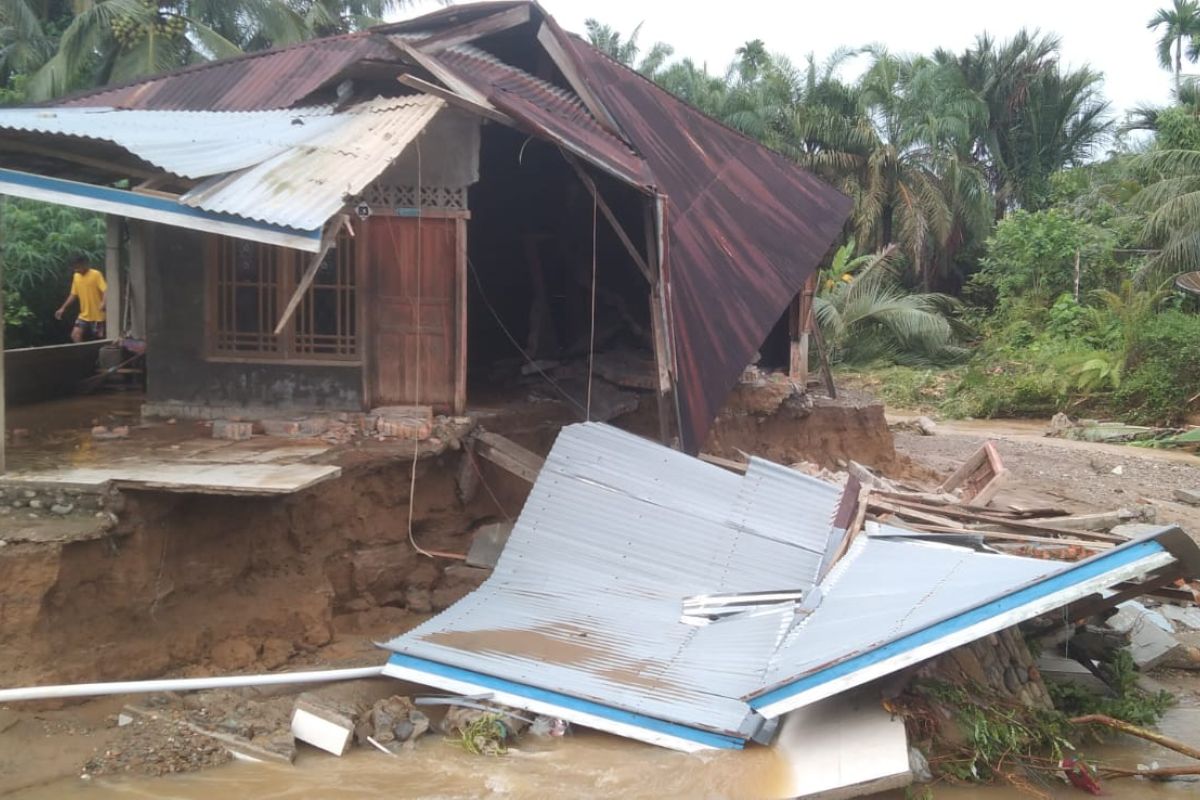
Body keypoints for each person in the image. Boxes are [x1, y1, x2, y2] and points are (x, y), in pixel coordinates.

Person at [54, 255, 107, 342]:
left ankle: (100, 354)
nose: (76, 270)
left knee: (100, 339)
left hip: (98, 315)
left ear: (85, 264)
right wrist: (62, 308)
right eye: (74, 268)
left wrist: (103, 303)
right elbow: (73, 294)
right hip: (84, 315)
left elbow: (105, 290)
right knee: (75, 335)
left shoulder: (96, 274)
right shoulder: (76, 276)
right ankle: (81, 354)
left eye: (78, 267)